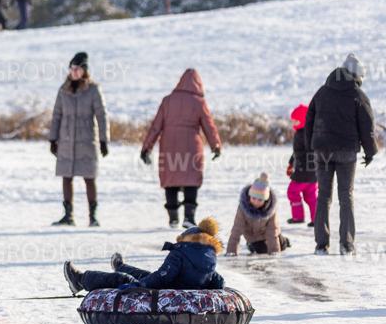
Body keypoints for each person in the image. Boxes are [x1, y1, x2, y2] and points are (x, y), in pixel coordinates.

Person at [304, 53, 377, 255]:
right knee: (346, 196)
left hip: (322, 151)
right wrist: (370, 151)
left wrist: (311, 146)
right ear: (356, 76)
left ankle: (321, 245)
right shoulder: (358, 95)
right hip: (346, 153)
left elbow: (308, 120)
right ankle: (347, 245)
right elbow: (367, 126)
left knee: (323, 197)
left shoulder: (321, 92)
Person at [140, 69, 222, 228]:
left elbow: (155, 127)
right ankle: (188, 217)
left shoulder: (167, 100)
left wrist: (146, 148)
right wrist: (216, 145)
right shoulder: (199, 102)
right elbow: (209, 127)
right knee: (191, 179)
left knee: (170, 178)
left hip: (168, 145)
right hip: (192, 146)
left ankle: (173, 217)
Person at [63, 218, 224, 293]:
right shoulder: (210, 258)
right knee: (144, 275)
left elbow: (161, 277)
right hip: (180, 289)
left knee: (124, 279)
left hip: (167, 292)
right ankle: (121, 266)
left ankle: (79, 280)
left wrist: (137, 286)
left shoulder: (180, 253)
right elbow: (217, 280)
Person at [48, 52, 109, 227]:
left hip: (87, 141)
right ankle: (68, 215)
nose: (73, 72)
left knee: (89, 178)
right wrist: (53, 139)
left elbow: (102, 116)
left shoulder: (93, 90)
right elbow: (57, 115)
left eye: (77, 68)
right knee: (66, 177)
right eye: (71, 68)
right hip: (66, 141)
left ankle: (93, 216)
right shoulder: (64, 89)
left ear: (84, 70)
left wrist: (104, 140)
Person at [226, 173, 288, 256]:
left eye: (260, 200)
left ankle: (284, 241)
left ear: (265, 200)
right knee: (261, 250)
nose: (256, 202)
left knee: (280, 244)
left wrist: (274, 250)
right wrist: (231, 250)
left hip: (267, 233)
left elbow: (272, 229)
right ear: (249, 196)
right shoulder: (242, 209)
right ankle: (251, 245)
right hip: (252, 236)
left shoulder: (270, 210)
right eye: (253, 198)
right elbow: (237, 229)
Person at [286, 104, 317, 227]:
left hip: (304, 171)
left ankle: (298, 217)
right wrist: (291, 163)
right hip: (313, 171)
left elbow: (300, 153)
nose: (293, 122)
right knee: (311, 196)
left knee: (292, 192)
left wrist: (296, 167)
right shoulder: (311, 131)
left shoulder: (302, 134)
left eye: (296, 120)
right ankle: (316, 219)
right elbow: (298, 152)